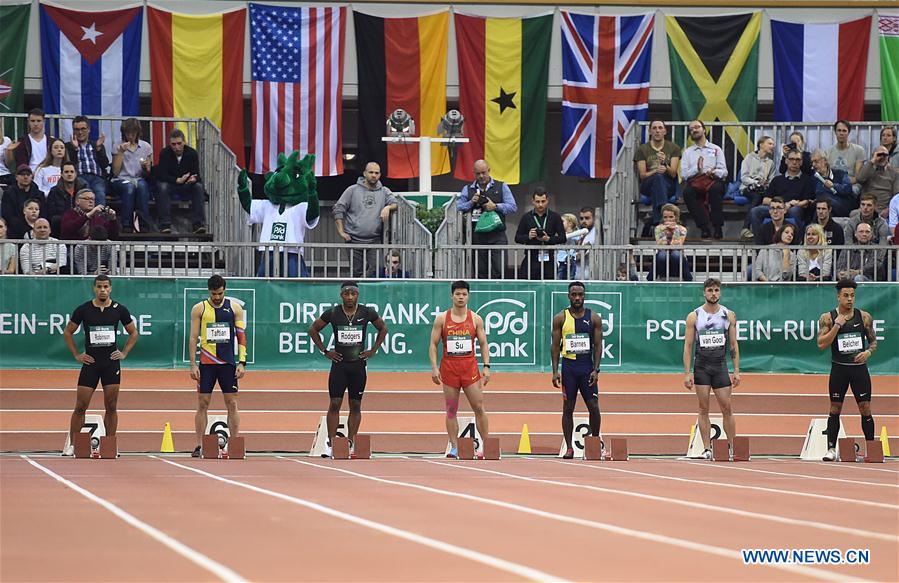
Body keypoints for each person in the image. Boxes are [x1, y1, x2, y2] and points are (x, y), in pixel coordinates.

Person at [309, 281, 388, 458]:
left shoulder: (366, 312)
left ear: (357, 295)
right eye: (346, 294)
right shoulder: (334, 313)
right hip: (339, 365)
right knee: (334, 403)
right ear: (341, 295)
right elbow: (313, 329)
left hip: (358, 365)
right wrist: (325, 351)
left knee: (355, 404)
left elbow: (383, 328)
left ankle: (351, 443)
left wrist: (373, 350)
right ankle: (331, 445)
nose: (350, 297)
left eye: (353, 294)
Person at [61, 275, 138, 456]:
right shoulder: (84, 309)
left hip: (111, 363)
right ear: (94, 289)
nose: (102, 290)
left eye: (105, 287)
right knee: (81, 406)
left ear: (110, 288)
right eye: (99, 287)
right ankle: (73, 445)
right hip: (91, 363)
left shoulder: (119, 310)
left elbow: (133, 333)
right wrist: (77, 355)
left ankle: (110, 445)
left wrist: (124, 352)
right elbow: (67, 332)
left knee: (111, 406)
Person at [816, 279, 879, 461]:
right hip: (839, 370)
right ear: (838, 296)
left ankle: (871, 448)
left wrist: (868, 352)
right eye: (846, 295)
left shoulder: (864, 317)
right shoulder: (827, 318)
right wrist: (837, 325)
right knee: (835, 408)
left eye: (852, 295)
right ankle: (831, 449)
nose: (850, 299)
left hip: (859, 370)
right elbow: (821, 344)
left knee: (865, 408)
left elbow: (873, 341)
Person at [429, 280, 491, 458]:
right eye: (458, 294)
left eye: (464, 294)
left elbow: (484, 343)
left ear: (468, 296)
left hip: (469, 368)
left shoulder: (475, 318)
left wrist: (486, 366)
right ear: (452, 296)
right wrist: (434, 368)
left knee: (478, 407)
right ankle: (454, 446)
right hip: (449, 369)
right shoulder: (442, 319)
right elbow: (433, 345)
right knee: (451, 409)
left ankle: (486, 445)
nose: (461, 297)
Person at [188, 274, 248, 457]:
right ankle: (199, 445)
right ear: (209, 291)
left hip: (228, 363)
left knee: (232, 403)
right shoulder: (199, 309)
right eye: (213, 294)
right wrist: (192, 364)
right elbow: (193, 337)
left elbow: (241, 336)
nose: (216, 297)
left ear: (225, 290)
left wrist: (242, 362)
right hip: (206, 363)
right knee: (203, 403)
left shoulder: (234, 308)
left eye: (219, 293)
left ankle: (234, 444)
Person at [683, 278, 740, 460]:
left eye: (716, 290)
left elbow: (733, 344)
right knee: (703, 408)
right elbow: (688, 346)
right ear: (704, 292)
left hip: (720, 366)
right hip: (701, 366)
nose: (713, 293)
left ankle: (732, 447)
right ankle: (707, 448)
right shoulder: (694, 316)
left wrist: (736, 370)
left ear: (720, 292)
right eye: (710, 290)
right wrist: (687, 373)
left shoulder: (728, 315)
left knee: (727, 407)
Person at [551, 281, 604, 459]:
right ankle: (569, 447)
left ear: (584, 295)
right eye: (574, 295)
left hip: (586, 368)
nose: (577, 298)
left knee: (594, 406)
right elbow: (555, 346)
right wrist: (554, 371)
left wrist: (596, 370)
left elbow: (598, 346)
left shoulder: (594, 318)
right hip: (569, 368)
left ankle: (595, 443)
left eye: (580, 294)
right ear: (569, 296)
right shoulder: (560, 318)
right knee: (568, 407)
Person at [333, 162, 397, 278]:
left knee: (375, 271)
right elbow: (338, 209)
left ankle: (367, 291)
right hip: (353, 240)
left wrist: (388, 207)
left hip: (374, 240)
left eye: (376, 173)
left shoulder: (384, 191)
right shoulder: (352, 190)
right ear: (364, 173)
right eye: (371, 172)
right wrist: (341, 231)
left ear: (380, 175)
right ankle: (359, 293)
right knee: (356, 272)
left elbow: (395, 203)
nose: (374, 175)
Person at [456, 160, 518, 279]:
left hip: (497, 236)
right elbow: (457, 207)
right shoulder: (467, 189)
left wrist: (495, 206)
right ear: (473, 173)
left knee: (500, 272)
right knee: (480, 273)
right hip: (476, 237)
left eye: (483, 172)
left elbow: (512, 207)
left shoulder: (502, 186)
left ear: (489, 171)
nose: (481, 176)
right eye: (478, 173)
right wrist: (471, 202)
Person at [750, 149, 815, 236]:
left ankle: (797, 243)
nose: (794, 162)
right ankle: (760, 244)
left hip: (794, 208)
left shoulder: (807, 180)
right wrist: (782, 205)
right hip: (776, 208)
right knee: (755, 211)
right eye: (791, 159)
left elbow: (807, 202)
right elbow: (765, 200)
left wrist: (793, 205)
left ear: (801, 162)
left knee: (794, 211)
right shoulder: (777, 180)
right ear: (786, 161)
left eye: (797, 160)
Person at [681, 120, 727, 239]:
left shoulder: (716, 149)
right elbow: (684, 174)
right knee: (687, 192)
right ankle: (704, 227)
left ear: (704, 130)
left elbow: (724, 172)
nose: (694, 130)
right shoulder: (688, 152)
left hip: (713, 180)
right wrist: (697, 169)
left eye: (697, 127)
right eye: (691, 129)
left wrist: (714, 172)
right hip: (696, 181)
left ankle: (717, 227)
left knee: (715, 190)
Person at [155, 129, 206, 234]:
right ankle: (165, 224)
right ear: (170, 144)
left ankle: (198, 224)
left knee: (198, 187)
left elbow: (196, 173)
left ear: (184, 142)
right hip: (171, 183)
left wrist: (193, 179)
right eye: (173, 144)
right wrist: (176, 180)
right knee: (162, 186)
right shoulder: (165, 153)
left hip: (187, 184)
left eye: (179, 143)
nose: (177, 147)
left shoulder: (192, 153)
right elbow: (161, 174)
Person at [111, 118, 154, 233]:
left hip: (139, 179)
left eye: (133, 133)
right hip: (121, 179)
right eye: (127, 133)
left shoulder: (146, 147)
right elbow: (115, 172)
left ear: (137, 133)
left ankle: (144, 225)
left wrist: (146, 167)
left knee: (142, 186)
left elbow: (148, 173)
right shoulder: (117, 145)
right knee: (129, 187)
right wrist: (120, 152)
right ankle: (126, 225)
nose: (130, 136)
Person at [634, 120, 681, 227]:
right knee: (658, 178)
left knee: (659, 182)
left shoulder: (674, 148)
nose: (657, 131)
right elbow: (642, 175)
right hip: (648, 183)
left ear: (665, 131)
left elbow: (673, 174)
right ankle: (664, 213)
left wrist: (665, 164)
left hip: (668, 184)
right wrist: (656, 170)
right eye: (654, 128)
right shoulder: (642, 149)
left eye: (660, 128)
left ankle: (658, 220)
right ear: (650, 131)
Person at [513, 187, 566, 280]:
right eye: (537, 202)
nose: (540, 205)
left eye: (543, 201)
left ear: (547, 200)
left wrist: (548, 239)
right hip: (531, 258)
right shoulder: (526, 217)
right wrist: (528, 236)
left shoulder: (555, 217)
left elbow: (563, 238)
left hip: (549, 258)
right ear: (533, 201)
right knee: (527, 285)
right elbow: (517, 238)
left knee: (549, 286)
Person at [65, 115, 109, 205]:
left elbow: (105, 164)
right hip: (79, 177)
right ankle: (86, 218)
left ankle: (100, 218)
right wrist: (75, 149)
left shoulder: (95, 144)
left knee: (99, 193)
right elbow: (69, 165)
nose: (80, 132)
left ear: (89, 129)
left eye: (83, 129)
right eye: (77, 129)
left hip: (97, 177)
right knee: (86, 194)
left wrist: (99, 149)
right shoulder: (69, 146)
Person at [739, 136, 776, 240]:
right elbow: (744, 178)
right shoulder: (749, 158)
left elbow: (771, 180)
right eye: (769, 143)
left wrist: (766, 184)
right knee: (757, 196)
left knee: (765, 196)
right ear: (761, 144)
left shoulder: (770, 163)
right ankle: (745, 228)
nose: (772, 146)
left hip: (763, 189)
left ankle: (757, 231)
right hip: (748, 187)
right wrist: (756, 183)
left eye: (773, 144)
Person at [648, 203, 693, 281]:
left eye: (671, 217)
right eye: (665, 217)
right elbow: (661, 245)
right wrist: (665, 231)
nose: (668, 220)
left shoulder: (682, 229)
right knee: (661, 255)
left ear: (676, 217)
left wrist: (674, 231)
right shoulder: (658, 228)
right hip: (662, 261)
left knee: (676, 254)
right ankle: (652, 278)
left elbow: (677, 244)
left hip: (677, 261)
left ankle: (687, 278)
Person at [810, 149, 855, 218]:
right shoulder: (813, 179)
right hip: (824, 210)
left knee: (824, 196)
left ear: (825, 161)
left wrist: (834, 186)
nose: (813, 165)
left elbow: (848, 189)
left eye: (816, 161)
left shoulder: (840, 173)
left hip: (842, 207)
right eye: (812, 162)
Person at [856, 145, 899, 216]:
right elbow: (859, 179)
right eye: (879, 155)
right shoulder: (868, 170)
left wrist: (889, 209)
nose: (882, 157)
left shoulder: (894, 173)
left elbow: (896, 196)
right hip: (866, 208)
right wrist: (873, 161)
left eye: (885, 155)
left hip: (884, 209)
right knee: (853, 214)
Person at [826, 120, 865, 197]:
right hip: (833, 184)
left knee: (850, 191)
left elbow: (857, 177)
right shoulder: (828, 152)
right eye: (839, 130)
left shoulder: (859, 150)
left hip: (852, 185)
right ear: (835, 132)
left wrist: (842, 186)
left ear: (848, 133)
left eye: (844, 131)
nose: (841, 133)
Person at [9, 108, 55, 173]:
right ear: (28, 121)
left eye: (38, 121)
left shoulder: (52, 141)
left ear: (44, 121)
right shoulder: (22, 142)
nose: (35, 124)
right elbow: (21, 164)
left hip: (49, 175)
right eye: (33, 121)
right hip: (28, 175)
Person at [1, 164, 41, 239]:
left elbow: (44, 213)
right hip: (15, 228)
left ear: (31, 177)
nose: (25, 177)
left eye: (28, 174)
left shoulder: (39, 194)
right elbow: (7, 215)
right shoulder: (9, 194)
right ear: (16, 177)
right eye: (22, 174)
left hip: (35, 225)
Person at [46, 161, 84, 237]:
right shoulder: (54, 191)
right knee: (55, 219)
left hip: (80, 223)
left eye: (72, 172)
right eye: (66, 172)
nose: (69, 174)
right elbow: (51, 213)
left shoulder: (83, 190)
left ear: (75, 174)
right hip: (61, 225)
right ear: (61, 174)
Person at [576, 207, 596, 279]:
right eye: (581, 218)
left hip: (589, 273)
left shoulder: (595, 234)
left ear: (593, 218)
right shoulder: (579, 232)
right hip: (578, 272)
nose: (584, 221)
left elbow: (579, 256)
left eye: (587, 218)